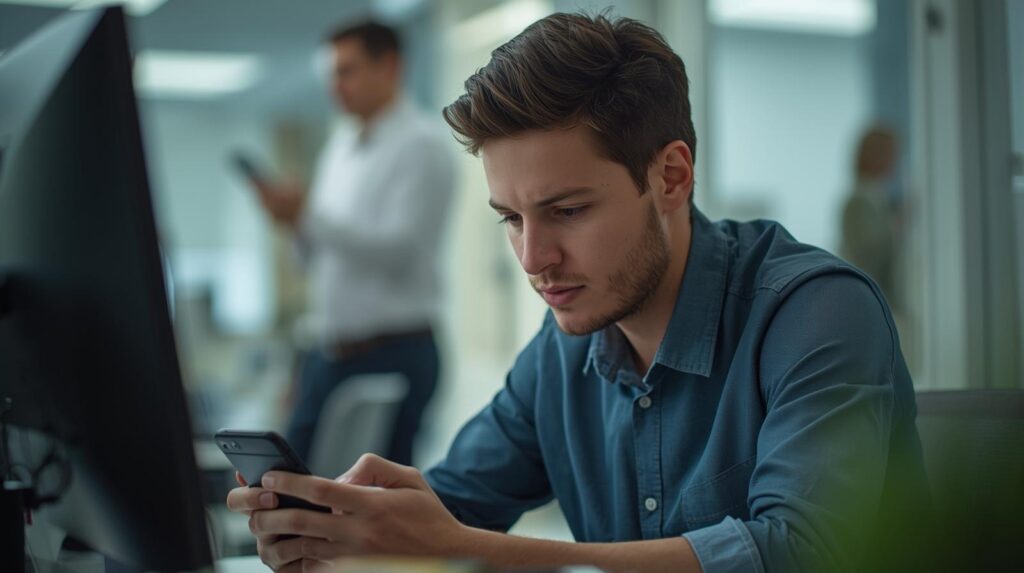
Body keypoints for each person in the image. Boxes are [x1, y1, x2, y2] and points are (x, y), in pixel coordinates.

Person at [228, 13, 927, 572]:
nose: (534, 259)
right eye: (510, 219)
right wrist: (342, 532)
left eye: (566, 211)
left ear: (672, 177)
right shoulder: (565, 350)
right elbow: (451, 506)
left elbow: (798, 554)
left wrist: (476, 548)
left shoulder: (818, 312)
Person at [252, 21, 455, 466]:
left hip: (395, 351)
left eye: (347, 71)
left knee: (380, 503)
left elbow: (399, 252)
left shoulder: (421, 144)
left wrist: (309, 217)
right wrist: (294, 224)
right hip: (330, 349)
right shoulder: (339, 147)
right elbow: (318, 256)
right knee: (289, 479)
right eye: (331, 74)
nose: (335, 86)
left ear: (391, 67)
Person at [839, 125, 902, 310]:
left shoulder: (877, 197)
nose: (895, 162)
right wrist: (897, 225)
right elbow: (866, 253)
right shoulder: (859, 200)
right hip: (867, 299)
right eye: (891, 154)